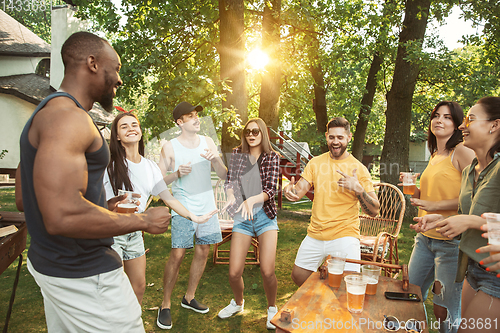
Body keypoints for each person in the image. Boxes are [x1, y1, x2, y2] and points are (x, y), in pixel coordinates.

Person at [17, 32, 171, 332]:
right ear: (92, 63)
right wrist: (142, 220)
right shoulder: (69, 119)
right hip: (85, 274)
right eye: (115, 68)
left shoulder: (46, 113)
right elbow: (63, 215)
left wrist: (102, 205)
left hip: (52, 266)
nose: (119, 79)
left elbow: (26, 198)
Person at [103, 112, 216, 304]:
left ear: (140, 132)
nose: (131, 128)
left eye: (134, 125)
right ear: (117, 137)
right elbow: (99, 204)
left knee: (138, 287)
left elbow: (169, 199)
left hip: (135, 234)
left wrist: (193, 217)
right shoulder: (109, 166)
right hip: (111, 234)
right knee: (112, 291)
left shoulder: (150, 167)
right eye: (124, 126)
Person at [413, 97, 500, 332]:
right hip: (471, 266)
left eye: (470, 119)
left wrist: (467, 219)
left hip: (494, 275)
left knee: (451, 319)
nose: (463, 125)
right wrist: (441, 218)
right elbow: (466, 212)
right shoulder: (474, 170)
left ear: (494, 125)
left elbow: (471, 217)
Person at [404, 101, 474, 333]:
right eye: (436, 115)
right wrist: (412, 187)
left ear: (457, 124)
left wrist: (434, 205)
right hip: (424, 239)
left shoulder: (462, 151)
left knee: (444, 309)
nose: (439, 120)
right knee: (410, 294)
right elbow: (425, 196)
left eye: (447, 117)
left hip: (450, 243)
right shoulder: (435, 154)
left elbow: (474, 195)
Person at [284, 117, 380, 286]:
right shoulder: (315, 163)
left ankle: (332, 301)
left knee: (347, 285)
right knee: (298, 276)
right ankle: (323, 299)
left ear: (349, 137)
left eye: (340, 137)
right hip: (315, 233)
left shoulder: (359, 169)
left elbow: (374, 210)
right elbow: (298, 191)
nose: (336, 142)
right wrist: (289, 191)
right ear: (327, 136)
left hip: (344, 235)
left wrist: (358, 189)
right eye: (332, 137)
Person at [156, 102, 227, 330]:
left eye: (197, 115)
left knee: (203, 250)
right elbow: (155, 183)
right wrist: (176, 174)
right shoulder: (169, 147)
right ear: (179, 122)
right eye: (190, 116)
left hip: (207, 206)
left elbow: (225, 175)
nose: (196, 119)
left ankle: (189, 297)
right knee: (177, 254)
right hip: (183, 207)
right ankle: (165, 304)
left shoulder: (208, 142)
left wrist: (216, 159)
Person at [217, 118, 280, 329]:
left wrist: (251, 199)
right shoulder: (237, 154)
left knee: (267, 271)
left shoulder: (272, 157)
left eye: (255, 131)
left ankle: (272, 307)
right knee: (234, 273)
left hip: (264, 217)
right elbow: (230, 181)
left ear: (263, 133)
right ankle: (238, 302)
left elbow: (271, 189)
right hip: (242, 219)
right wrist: (231, 196)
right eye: (247, 132)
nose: (251, 135)